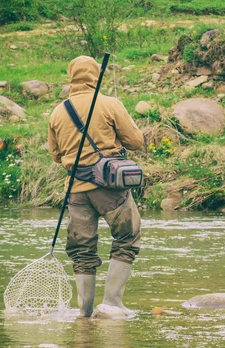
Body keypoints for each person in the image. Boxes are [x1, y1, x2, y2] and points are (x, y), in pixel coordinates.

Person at [48, 55, 144, 317]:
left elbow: (56, 156)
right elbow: (136, 141)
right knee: (127, 236)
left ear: (71, 76)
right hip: (109, 188)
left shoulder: (59, 111)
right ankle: (112, 304)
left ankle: (85, 312)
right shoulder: (109, 104)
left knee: (82, 250)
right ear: (94, 75)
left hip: (76, 191)